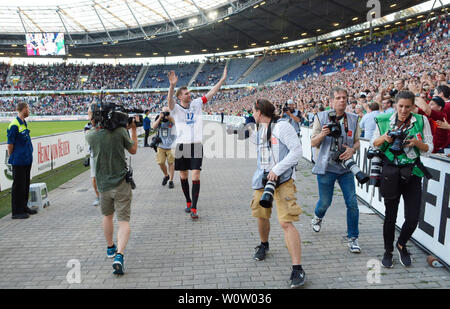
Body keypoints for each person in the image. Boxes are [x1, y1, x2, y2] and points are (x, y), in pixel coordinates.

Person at [371, 90, 433, 268]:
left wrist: (415, 143)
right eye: (401, 106)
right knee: (390, 216)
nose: (404, 110)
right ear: (395, 105)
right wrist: (386, 137)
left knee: (413, 217)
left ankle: (401, 244)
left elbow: (429, 147)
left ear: (413, 106)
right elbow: (374, 143)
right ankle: (388, 251)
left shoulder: (421, 120)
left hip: (413, 172)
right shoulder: (384, 120)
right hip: (391, 172)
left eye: (408, 106)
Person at [249, 99, 305, 288]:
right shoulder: (260, 129)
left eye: (253, 111)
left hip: (282, 180)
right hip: (263, 179)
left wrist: (278, 169)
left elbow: (297, 151)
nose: (252, 115)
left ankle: (297, 268)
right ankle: (264, 245)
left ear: (259, 111)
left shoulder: (282, 126)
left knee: (285, 221)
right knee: (261, 213)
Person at [167, 66, 227, 220]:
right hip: (182, 145)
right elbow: (169, 101)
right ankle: (188, 201)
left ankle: (194, 207)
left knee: (195, 174)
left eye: (189, 93)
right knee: (183, 175)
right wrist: (172, 86)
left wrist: (221, 80)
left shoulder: (197, 103)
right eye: (186, 93)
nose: (189, 94)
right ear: (180, 97)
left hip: (196, 145)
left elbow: (211, 93)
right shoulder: (175, 108)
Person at [85, 104, 138, 275]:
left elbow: (96, 130)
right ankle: (119, 255)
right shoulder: (120, 132)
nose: (88, 117)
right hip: (121, 183)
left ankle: (110, 248)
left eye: (89, 114)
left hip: (102, 185)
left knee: (107, 216)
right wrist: (133, 130)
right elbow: (133, 150)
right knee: (123, 221)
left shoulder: (90, 136)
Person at [310, 87, 362, 253]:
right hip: (327, 167)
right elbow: (313, 143)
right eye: (338, 98)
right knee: (325, 202)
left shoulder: (353, 118)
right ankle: (318, 217)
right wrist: (323, 134)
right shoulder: (321, 117)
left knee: (352, 203)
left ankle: (353, 238)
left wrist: (352, 150)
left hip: (346, 167)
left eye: (344, 97)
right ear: (331, 101)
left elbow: (357, 142)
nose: (342, 100)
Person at [7, 102, 36, 219]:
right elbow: (10, 144)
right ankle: (16, 212)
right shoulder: (14, 125)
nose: (29, 110)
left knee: (25, 185)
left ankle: (24, 207)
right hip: (18, 160)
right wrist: (13, 156)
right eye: (28, 108)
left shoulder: (23, 123)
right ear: (23, 109)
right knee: (18, 186)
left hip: (26, 160)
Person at [151, 107, 176, 189]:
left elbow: (177, 124)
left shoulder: (172, 119)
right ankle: (166, 175)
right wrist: (160, 118)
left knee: (171, 163)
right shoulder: (159, 119)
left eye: (167, 112)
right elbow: (153, 127)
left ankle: (171, 180)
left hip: (171, 145)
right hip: (161, 145)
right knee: (161, 162)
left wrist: (169, 117)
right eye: (164, 112)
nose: (165, 114)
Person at [84, 121, 99, 206]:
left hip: (106, 153)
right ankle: (98, 197)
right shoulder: (88, 126)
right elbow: (88, 135)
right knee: (94, 177)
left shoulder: (107, 121)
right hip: (94, 154)